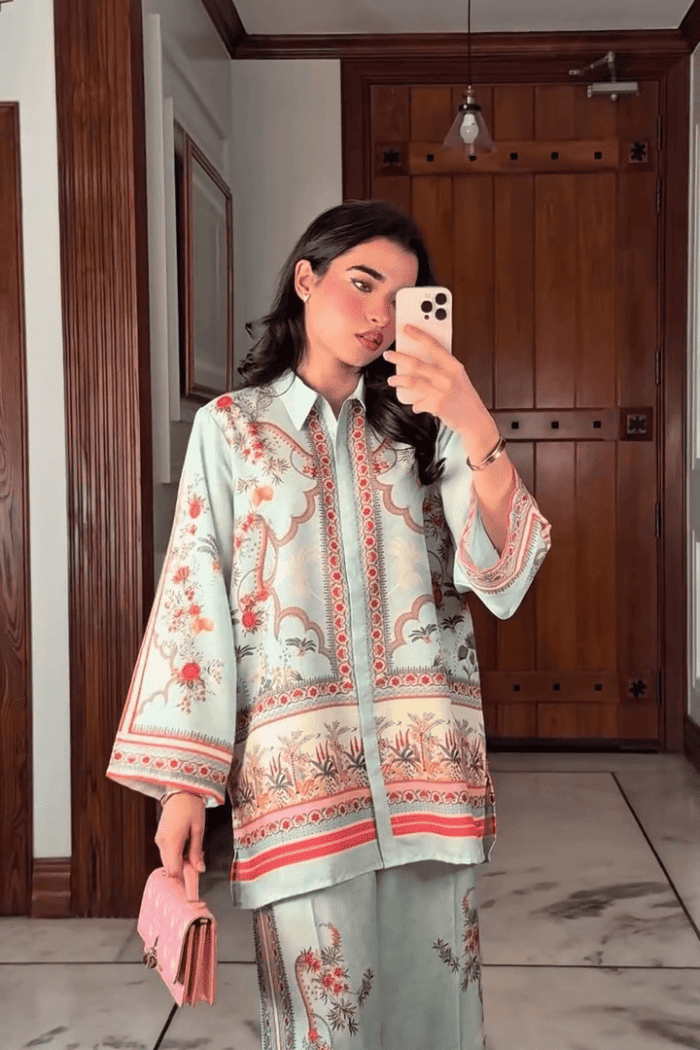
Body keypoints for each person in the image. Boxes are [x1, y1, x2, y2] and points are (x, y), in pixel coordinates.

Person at [106, 199, 552, 1049]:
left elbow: (503, 573)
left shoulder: (430, 428)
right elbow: (193, 597)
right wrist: (182, 788)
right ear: (305, 280)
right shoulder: (230, 431)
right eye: (362, 283)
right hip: (298, 789)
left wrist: (473, 418)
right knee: (322, 1030)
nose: (382, 314)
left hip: (430, 782)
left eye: (405, 295)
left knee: (437, 1022)